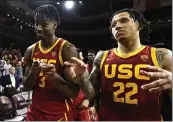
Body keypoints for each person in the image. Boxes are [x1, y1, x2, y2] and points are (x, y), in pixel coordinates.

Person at [64, 8, 172, 121]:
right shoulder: (102, 56)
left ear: (139, 25)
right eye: (114, 24)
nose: (118, 26)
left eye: (124, 20)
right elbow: (91, 94)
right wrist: (82, 76)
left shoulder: (162, 55)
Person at [23, 4, 81, 121]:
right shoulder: (31, 50)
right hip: (35, 111)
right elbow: (26, 86)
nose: (38, 28)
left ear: (54, 25)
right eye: (36, 24)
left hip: (58, 113)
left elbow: (74, 93)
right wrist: (33, 72)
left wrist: (54, 77)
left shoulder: (67, 48)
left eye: (44, 24)